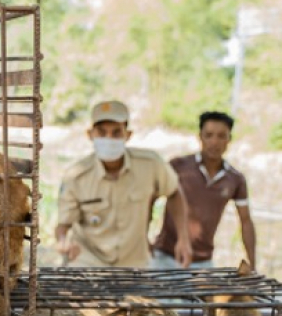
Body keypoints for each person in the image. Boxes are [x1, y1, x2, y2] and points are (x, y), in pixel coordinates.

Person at [56, 100, 192, 268]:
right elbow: (63, 225)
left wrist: (183, 239)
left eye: (116, 132)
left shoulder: (150, 164)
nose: (109, 139)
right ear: (90, 134)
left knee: (142, 295)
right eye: (102, 132)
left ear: (127, 135)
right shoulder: (76, 175)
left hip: (134, 263)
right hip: (88, 262)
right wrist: (63, 241)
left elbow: (174, 193)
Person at [152, 111, 257, 270]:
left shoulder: (235, 179)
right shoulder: (178, 166)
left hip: (202, 263)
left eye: (221, 136)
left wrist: (253, 264)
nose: (214, 142)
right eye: (209, 135)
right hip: (165, 257)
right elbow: (149, 199)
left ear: (229, 140)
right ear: (200, 137)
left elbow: (246, 221)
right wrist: (142, 241)